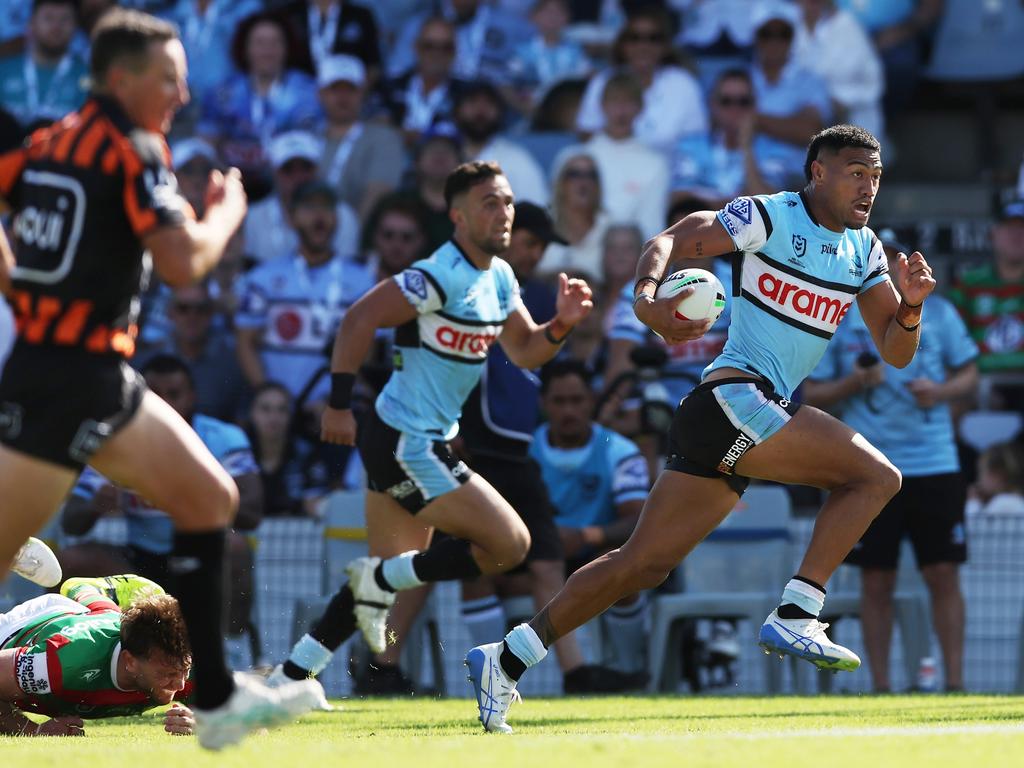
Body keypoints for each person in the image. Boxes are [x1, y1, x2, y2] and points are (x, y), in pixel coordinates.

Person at [465, 124, 936, 732]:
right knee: (875, 477)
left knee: (641, 565)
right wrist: (645, 300)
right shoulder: (772, 216)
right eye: (855, 173)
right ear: (817, 172)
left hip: (727, 420)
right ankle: (799, 611)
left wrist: (912, 305)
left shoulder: (866, 251)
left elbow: (896, 352)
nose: (868, 187)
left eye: (875, 176)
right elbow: (676, 236)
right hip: (735, 400)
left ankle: (506, 657)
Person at [0, 9, 322, 749]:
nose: (181, 92)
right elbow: (184, 266)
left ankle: (214, 703)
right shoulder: (131, 146)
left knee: (211, 497)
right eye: (168, 78)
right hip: (66, 376)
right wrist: (226, 212)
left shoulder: (48, 142)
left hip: (97, 372)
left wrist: (18, 285)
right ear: (122, 79)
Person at [269, 161, 593, 687]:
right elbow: (358, 319)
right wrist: (336, 405)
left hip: (414, 440)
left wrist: (561, 324)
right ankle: (362, 610)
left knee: (384, 580)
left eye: (508, 201)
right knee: (510, 545)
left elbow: (527, 351)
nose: (504, 212)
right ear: (457, 216)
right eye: (490, 202)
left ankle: (293, 676)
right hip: (404, 441)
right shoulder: (438, 274)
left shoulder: (501, 277)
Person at [803, 230, 979, 693]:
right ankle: (879, 688)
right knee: (875, 579)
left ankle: (956, 685)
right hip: (868, 467)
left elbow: (970, 374)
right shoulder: (840, 317)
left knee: (942, 573)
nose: (894, 267)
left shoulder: (940, 312)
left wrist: (939, 392)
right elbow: (812, 392)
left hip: (935, 462)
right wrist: (856, 383)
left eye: (900, 257)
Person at [530, 360, 651, 676]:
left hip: (595, 554)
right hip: (539, 561)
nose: (568, 410)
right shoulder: (524, 452)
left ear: (592, 401)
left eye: (577, 400)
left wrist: (586, 537)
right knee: (482, 579)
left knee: (623, 574)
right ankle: (489, 675)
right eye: (559, 401)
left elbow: (638, 521)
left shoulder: (620, 451)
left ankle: (630, 670)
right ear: (543, 403)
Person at [236, 179, 374, 406]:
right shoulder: (262, 278)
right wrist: (272, 401)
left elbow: (368, 348)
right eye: (309, 208)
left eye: (327, 208)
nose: (319, 217)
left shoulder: (362, 281)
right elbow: (245, 342)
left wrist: (337, 400)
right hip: (279, 414)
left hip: (335, 409)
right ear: (291, 218)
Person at [0, 575, 194, 736]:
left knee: (109, 613)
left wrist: (202, 723)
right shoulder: (63, 660)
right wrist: (34, 731)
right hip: (23, 625)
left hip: (102, 618)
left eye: (184, 671)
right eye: (167, 674)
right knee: (105, 615)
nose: (180, 685)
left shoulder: (181, 663)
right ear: (130, 662)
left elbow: (221, 714)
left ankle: (89, 590)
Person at [197, 11, 321, 180]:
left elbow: (314, 148)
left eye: (275, 43)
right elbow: (206, 145)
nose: (267, 51)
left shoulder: (307, 91)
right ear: (245, 48)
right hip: (232, 181)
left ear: (287, 48)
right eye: (259, 43)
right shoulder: (223, 93)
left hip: (289, 185)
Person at [575, 6, 706, 155]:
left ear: (664, 46)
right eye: (635, 38)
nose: (643, 46)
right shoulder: (603, 81)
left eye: (653, 38)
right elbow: (587, 134)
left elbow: (696, 142)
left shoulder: (683, 84)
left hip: (673, 173)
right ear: (623, 45)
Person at [671, 68, 802, 210]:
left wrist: (746, 147)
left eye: (743, 101)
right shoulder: (689, 146)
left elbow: (769, 206)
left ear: (755, 106)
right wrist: (740, 204)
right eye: (726, 101)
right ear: (713, 105)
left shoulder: (775, 149)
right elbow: (679, 202)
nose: (735, 109)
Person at [572, 72, 669, 239]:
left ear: (640, 108)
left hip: (632, 255)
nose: (621, 110)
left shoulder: (656, 164)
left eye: (629, 102)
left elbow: (652, 226)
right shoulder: (576, 158)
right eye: (614, 101)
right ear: (602, 105)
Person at [134, 282, 249, 423]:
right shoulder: (143, 361)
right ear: (170, 313)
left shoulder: (232, 365)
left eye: (201, 309)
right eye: (183, 308)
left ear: (211, 313)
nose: (192, 316)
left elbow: (241, 421)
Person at [948, 200, 1024, 410]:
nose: (1016, 236)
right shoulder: (969, 284)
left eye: (1022, 229)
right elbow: (952, 343)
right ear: (994, 234)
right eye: (1009, 228)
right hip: (980, 387)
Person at [242, 130, 361, 264]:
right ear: (274, 173)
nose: (298, 177)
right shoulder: (253, 219)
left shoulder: (343, 216)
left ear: (318, 170)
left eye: (306, 168)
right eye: (288, 170)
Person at [316, 54, 405, 221]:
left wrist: (351, 239)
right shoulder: (307, 138)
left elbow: (378, 195)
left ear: (363, 93)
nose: (343, 97)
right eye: (335, 89)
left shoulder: (384, 138)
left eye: (350, 89)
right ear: (320, 94)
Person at [792, 0, 885, 140]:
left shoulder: (847, 26)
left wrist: (842, 100)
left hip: (853, 124)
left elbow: (874, 83)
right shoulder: (783, 27)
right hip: (799, 124)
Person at [376, 16, 470, 145]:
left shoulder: (467, 95)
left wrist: (407, 136)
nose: (437, 54)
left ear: (455, 52)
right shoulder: (388, 87)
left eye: (446, 47)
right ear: (416, 47)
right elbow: (374, 128)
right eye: (429, 46)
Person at [454, 81, 549, 206]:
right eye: (472, 102)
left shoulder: (517, 159)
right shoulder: (442, 155)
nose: (481, 111)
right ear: (457, 110)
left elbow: (538, 209)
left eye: (489, 103)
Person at [247, 381, 331, 518]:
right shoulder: (237, 454)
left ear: (290, 416)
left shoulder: (307, 454)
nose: (274, 418)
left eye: (282, 410)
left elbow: (318, 505)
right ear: (251, 413)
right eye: (265, 409)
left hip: (297, 535)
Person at [0, 0, 88, 128]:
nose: (56, 26)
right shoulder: (4, 71)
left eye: (65, 19)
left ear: (76, 26)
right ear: (31, 24)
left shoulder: (87, 75)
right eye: (48, 18)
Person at [539, 151, 608, 282]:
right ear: (560, 183)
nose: (583, 182)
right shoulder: (540, 223)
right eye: (574, 175)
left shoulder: (611, 228)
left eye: (591, 175)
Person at [280, 0, 382, 79]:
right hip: (299, 96)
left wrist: (357, 97)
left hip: (345, 93)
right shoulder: (289, 14)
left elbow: (373, 65)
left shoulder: (361, 16)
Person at [967, 442, 1024, 517]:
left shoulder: (1004, 502)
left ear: (997, 475)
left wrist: (973, 502)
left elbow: (974, 525)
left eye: (981, 472)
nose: (979, 480)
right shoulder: (1015, 499)